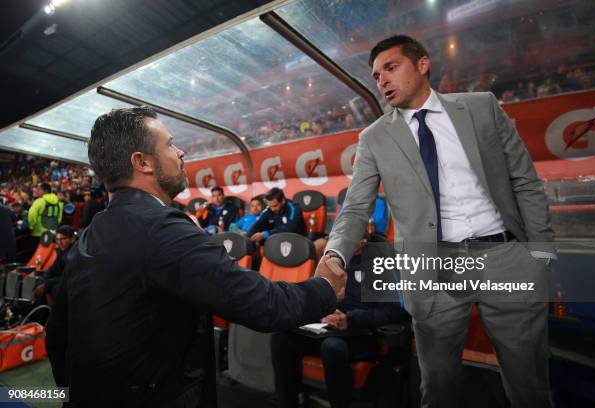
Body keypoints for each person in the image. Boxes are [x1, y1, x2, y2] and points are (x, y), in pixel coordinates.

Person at [45, 107, 347, 407]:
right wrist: (324, 287)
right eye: (170, 144)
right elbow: (263, 304)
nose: (180, 153)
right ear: (142, 162)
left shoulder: (89, 233)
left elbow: (57, 336)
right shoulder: (162, 229)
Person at [321, 35, 555, 408]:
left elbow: (524, 180)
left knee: (530, 388)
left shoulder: (482, 108)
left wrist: (540, 252)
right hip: (432, 268)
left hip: (505, 256)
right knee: (438, 390)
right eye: (377, 75)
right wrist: (334, 255)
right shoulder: (374, 138)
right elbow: (355, 208)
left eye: (391, 68)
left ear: (423, 64)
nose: (381, 80)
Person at [271, 232, 409, 408]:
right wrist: (326, 307)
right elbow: (315, 297)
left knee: (332, 347)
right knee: (282, 339)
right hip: (327, 328)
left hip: (360, 333)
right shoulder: (332, 264)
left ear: (363, 241)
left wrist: (350, 319)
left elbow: (396, 310)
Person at [33, 225, 77, 303]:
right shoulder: (62, 251)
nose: (59, 243)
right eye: (57, 239)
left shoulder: (75, 254)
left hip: (72, 285)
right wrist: (41, 282)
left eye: (63, 239)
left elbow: (66, 276)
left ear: (72, 239)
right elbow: (53, 269)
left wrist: (46, 285)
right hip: (61, 282)